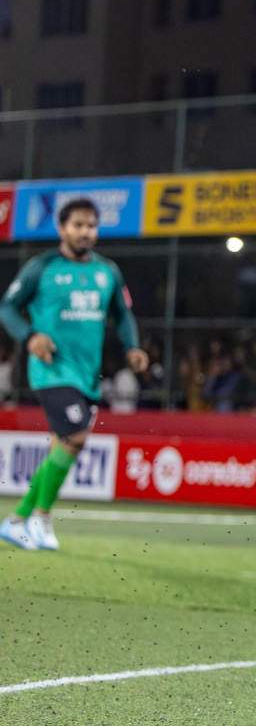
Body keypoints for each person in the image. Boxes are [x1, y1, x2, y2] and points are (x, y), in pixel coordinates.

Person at [0, 198, 148, 550]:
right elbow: (7, 307)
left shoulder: (107, 271)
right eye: (78, 224)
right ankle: (42, 517)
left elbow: (123, 314)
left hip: (86, 374)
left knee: (63, 445)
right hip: (51, 370)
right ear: (62, 228)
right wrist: (30, 336)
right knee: (77, 434)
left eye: (91, 225)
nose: (86, 232)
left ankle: (16, 520)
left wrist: (132, 346)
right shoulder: (42, 267)